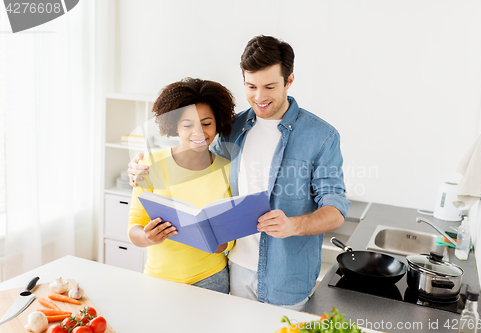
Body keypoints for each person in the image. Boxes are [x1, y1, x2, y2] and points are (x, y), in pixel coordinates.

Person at [128, 36, 350, 310]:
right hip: (233, 268)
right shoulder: (233, 127)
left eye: (270, 86)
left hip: (286, 275)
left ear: (289, 80)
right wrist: (141, 166)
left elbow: (336, 209)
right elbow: (196, 154)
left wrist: (293, 225)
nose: (259, 97)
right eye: (251, 86)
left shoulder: (321, 136)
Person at [128, 78, 237, 294]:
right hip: (159, 278)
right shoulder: (149, 165)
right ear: (175, 126)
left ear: (218, 123)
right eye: (188, 125)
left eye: (206, 123)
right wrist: (148, 237)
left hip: (211, 278)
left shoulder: (228, 169)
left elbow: (232, 234)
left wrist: (220, 244)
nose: (198, 132)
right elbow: (134, 227)